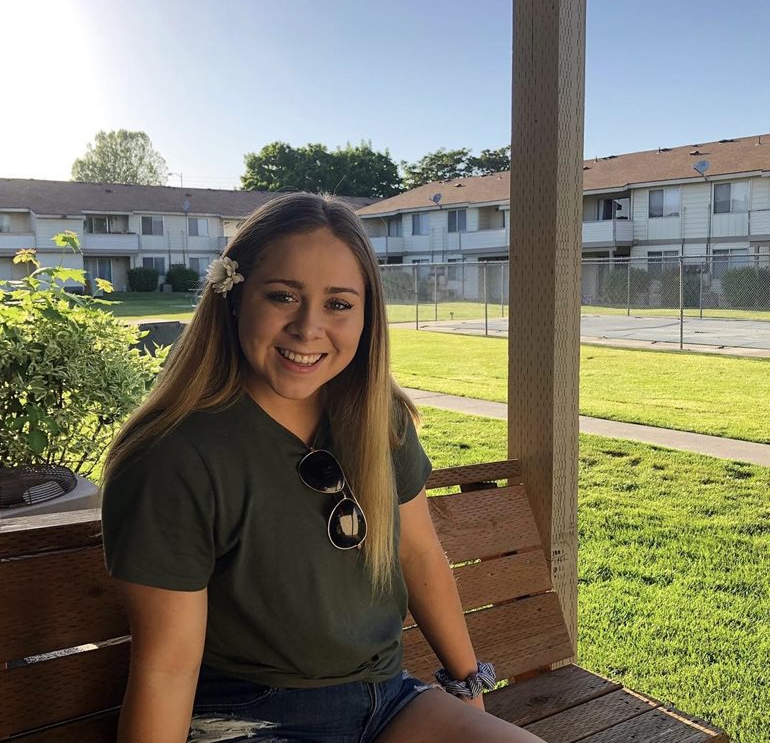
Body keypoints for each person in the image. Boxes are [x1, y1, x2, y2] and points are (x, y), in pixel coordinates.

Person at [101, 192, 546, 743]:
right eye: (283, 296)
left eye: (338, 304)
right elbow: (165, 669)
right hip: (248, 717)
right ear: (234, 299)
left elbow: (418, 552)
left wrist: (467, 685)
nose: (308, 328)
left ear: (366, 316)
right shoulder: (172, 455)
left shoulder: (375, 417)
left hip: (388, 699)